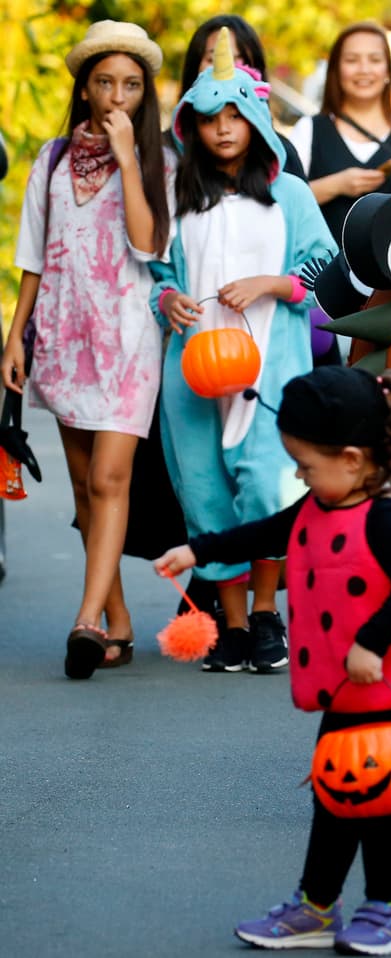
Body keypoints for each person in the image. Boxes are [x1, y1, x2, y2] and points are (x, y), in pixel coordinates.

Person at [155, 366, 391, 953]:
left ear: (351, 460)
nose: (300, 474)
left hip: (388, 682)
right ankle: (318, 907)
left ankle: (388, 912)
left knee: (372, 792)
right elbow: (263, 533)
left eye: (306, 465)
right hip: (352, 685)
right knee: (336, 789)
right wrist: (194, 550)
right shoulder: (320, 506)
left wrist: (372, 642)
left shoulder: (386, 516)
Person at [150, 28, 336, 674]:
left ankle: (264, 614)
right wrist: (166, 299)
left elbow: (323, 265)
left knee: (265, 487)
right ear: (192, 126)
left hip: (270, 365)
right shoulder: (178, 195)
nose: (224, 129)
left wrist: (273, 284)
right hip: (191, 369)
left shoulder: (288, 193)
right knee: (205, 493)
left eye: (235, 115)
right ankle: (228, 625)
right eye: (210, 118)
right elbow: (156, 274)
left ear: (255, 119)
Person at [0, 20, 171, 678]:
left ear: (142, 93)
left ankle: (85, 619)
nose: (116, 96)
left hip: (128, 339)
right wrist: (16, 339)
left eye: (130, 84)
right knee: (80, 487)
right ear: (85, 87)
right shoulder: (50, 158)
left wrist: (129, 158)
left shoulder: (160, 159)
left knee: (109, 479)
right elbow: (32, 258)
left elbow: (148, 245)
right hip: (65, 337)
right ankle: (117, 621)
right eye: (105, 82)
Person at [288, 22, 391, 244]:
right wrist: (337, 185)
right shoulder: (309, 129)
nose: (364, 69)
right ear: (335, 70)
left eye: (375, 60)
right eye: (352, 60)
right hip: (319, 273)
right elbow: (283, 203)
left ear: (388, 71)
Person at [178, 15, 307, 180]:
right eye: (214, 60)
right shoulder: (167, 152)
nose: (227, 71)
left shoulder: (279, 153)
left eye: (238, 61)